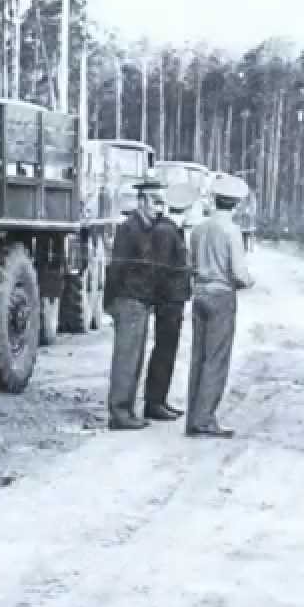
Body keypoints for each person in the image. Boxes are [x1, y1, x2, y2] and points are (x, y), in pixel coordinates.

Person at [184, 174, 255, 438]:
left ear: (215, 200)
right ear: (236, 203)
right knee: (216, 359)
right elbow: (238, 272)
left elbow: (190, 264)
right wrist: (249, 281)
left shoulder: (199, 229)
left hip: (200, 293)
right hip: (222, 296)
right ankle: (205, 419)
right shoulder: (231, 231)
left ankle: (193, 417)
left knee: (198, 357)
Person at [103, 177, 167, 430]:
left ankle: (127, 410)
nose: (158, 208)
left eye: (161, 203)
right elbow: (117, 267)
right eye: (154, 202)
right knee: (126, 359)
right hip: (128, 300)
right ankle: (119, 412)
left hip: (139, 301)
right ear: (141, 202)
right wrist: (112, 302)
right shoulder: (129, 229)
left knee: (135, 357)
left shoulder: (149, 228)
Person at [143, 183, 196, 422]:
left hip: (172, 300)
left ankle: (160, 400)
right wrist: (164, 298)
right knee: (164, 351)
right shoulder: (166, 232)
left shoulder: (169, 230)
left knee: (168, 350)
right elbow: (161, 270)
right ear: (184, 208)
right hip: (169, 301)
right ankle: (154, 403)